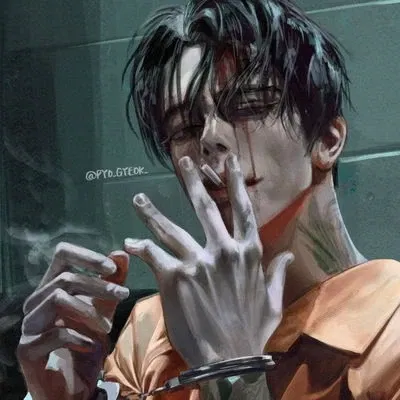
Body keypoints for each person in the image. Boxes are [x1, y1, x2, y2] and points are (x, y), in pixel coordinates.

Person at [17, 0, 400, 399]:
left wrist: (233, 368)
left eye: (249, 106)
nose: (210, 137)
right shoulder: (154, 329)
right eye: (184, 127)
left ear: (327, 140)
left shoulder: (390, 325)